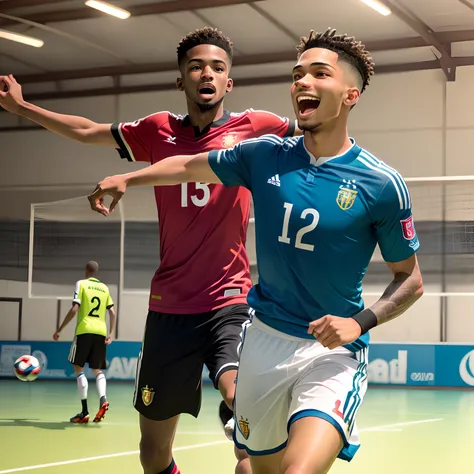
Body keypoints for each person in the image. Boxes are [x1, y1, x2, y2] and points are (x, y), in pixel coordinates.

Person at [88, 28, 424, 474]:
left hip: (331, 354)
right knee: (256, 469)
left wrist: (358, 323)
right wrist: (127, 179)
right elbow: (188, 165)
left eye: (319, 73)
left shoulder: (381, 184)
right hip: (263, 344)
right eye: (297, 73)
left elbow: (411, 278)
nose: (302, 82)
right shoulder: (263, 155)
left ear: (350, 94)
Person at [0, 27, 301, 474]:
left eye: (218, 68)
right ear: (181, 80)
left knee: (238, 393)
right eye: (197, 66)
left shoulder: (257, 129)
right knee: (152, 452)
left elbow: (315, 137)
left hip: (231, 298)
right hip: (170, 308)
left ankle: (240, 425)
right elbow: (87, 131)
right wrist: (23, 108)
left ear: (229, 82)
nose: (208, 74)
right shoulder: (157, 131)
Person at [53, 260, 116, 424]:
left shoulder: (81, 284)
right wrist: (111, 333)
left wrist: (59, 329)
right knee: (97, 370)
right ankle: (103, 399)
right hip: (101, 331)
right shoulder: (104, 288)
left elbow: (75, 309)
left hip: (84, 330)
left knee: (78, 368)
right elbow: (112, 312)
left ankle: (85, 411)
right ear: (97, 272)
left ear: (85, 271)